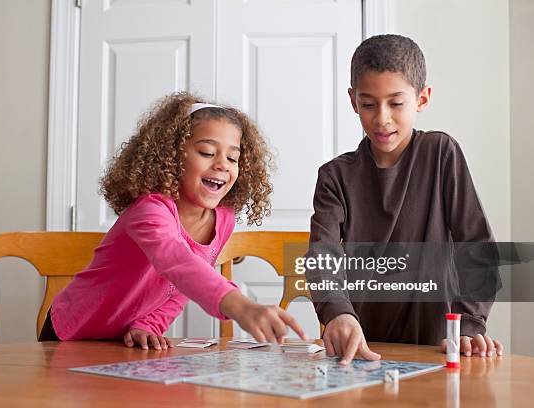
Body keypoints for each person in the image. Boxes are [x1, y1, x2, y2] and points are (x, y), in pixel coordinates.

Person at [40, 92, 305, 349]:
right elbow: (177, 262)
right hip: (71, 334)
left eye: (233, 157)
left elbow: (181, 288)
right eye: (207, 152)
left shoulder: (223, 220)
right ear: (172, 156)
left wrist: (150, 324)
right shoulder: (149, 210)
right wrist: (240, 305)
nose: (223, 164)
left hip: (122, 343)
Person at [305, 34, 503, 364]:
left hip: (438, 347)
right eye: (369, 104)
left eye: (396, 103)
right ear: (353, 101)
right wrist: (337, 312)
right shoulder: (334, 176)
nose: (382, 118)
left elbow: (477, 244)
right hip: (365, 350)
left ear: (421, 99)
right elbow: (322, 254)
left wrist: (469, 325)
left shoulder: (441, 154)